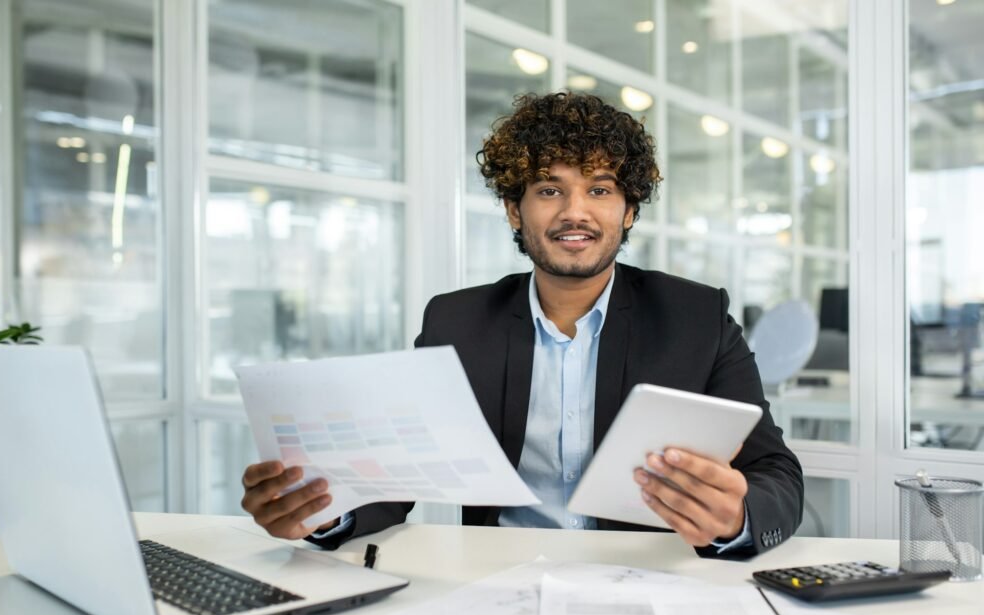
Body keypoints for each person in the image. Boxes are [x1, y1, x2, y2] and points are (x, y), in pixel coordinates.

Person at [240, 92, 803, 558]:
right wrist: (321, 510)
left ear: (629, 210)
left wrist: (736, 517)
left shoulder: (697, 317)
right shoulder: (455, 322)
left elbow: (775, 471)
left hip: (652, 578)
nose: (573, 212)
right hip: (497, 577)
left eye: (600, 190)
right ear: (516, 209)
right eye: (549, 189)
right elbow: (397, 477)